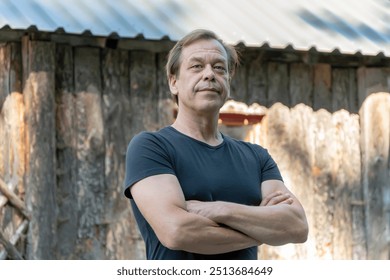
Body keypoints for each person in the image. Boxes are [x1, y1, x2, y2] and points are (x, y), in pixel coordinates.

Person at [123, 29, 308, 260]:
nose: (209, 74)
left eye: (219, 67)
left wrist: (219, 210)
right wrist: (262, 228)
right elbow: (178, 232)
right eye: (197, 66)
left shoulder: (256, 157)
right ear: (174, 82)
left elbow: (297, 226)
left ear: (228, 81)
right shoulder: (151, 148)